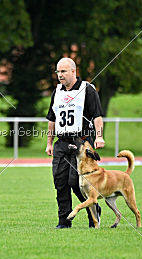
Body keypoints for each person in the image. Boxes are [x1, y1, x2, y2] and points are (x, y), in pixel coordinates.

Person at [45, 57, 105, 229]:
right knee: (60, 182)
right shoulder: (57, 92)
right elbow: (52, 119)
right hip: (61, 142)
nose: (60, 75)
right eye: (58, 72)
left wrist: (99, 137)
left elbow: (97, 116)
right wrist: (49, 142)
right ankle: (64, 221)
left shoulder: (87, 90)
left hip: (82, 142)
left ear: (73, 71)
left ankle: (93, 212)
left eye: (63, 71)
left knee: (75, 182)